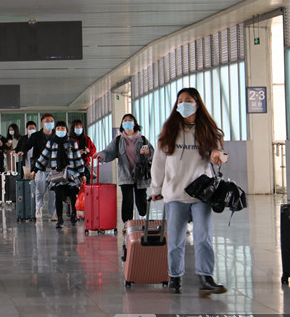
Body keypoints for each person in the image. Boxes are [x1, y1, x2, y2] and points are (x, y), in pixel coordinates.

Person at [151, 87, 228, 295]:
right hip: (175, 193)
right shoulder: (168, 132)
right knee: (175, 240)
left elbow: (219, 153)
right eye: (180, 100)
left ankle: (206, 277)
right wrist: (156, 188)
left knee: (204, 237)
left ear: (197, 104)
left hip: (201, 194)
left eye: (188, 100)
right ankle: (175, 277)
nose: (183, 104)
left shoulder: (207, 131)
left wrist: (219, 157)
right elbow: (158, 163)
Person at [96, 114, 153, 226]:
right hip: (125, 174)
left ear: (134, 123)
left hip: (140, 175)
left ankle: (143, 218)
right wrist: (101, 155)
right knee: (127, 199)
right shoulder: (118, 140)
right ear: (122, 124)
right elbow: (109, 152)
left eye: (130, 120)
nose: (127, 122)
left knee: (141, 198)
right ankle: (127, 223)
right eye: (125, 121)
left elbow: (153, 154)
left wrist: (148, 153)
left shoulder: (143, 140)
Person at [32, 121, 88, 228]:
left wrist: (82, 173)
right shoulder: (51, 142)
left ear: (66, 130)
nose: (60, 131)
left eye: (62, 129)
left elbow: (78, 159)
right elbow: (43, 157)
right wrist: (35, 170)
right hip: (58, 175)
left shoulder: (71, 142)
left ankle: (73, 215)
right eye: (58, 129)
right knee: (58, 196)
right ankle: (60, 218)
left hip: (72, 175)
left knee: (72, 196)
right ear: (55, 130)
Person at [27, 114, 57, 220]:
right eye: (47, 121)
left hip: (54, 168)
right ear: (42, 123)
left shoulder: (56, 135)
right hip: (40, 167)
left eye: (51, 121)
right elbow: (27, 145)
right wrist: (20, 150)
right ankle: (38, 208)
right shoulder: (36, 136)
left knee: (53, 191)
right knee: (40, 190)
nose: (50, 123)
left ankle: (52, 213)